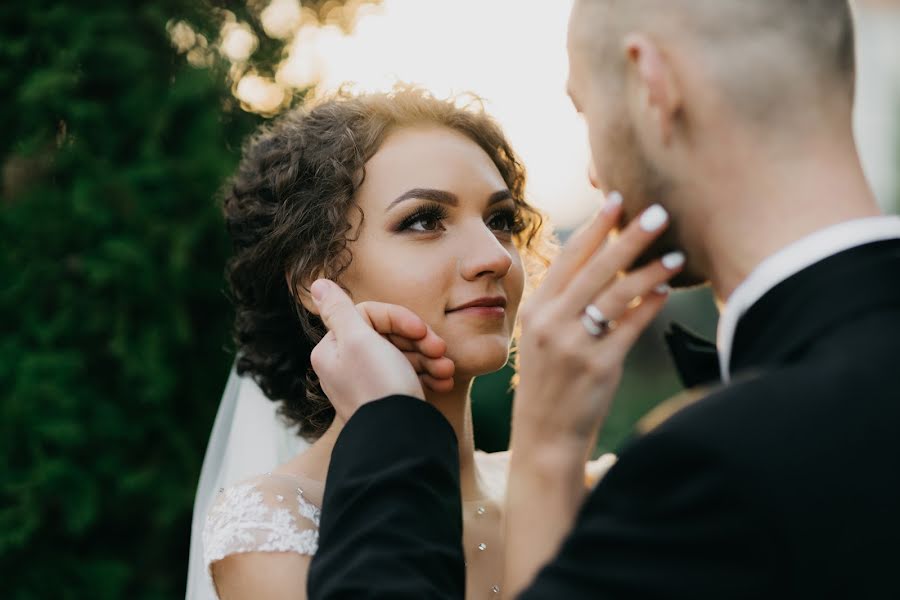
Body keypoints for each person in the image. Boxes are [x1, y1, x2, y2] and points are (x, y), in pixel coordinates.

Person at [306, 1, 900, 598]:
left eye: (586, 111)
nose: (593, 173)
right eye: (425, 220)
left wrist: (391, 430)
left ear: (652, 85)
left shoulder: (709, 472)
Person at [189, 86, 654, 600]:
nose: (494, 257)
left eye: (501, 220)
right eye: (425, 221)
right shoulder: (275, 526)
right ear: (315, 278)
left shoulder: (589, 486)